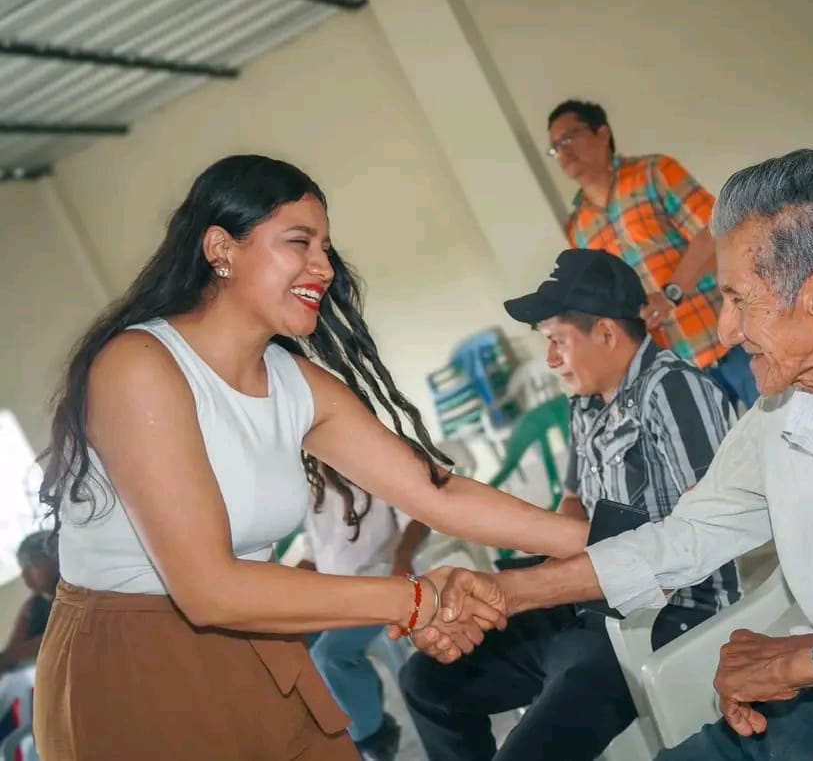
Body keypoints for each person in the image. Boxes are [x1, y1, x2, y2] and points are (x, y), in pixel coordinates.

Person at [411, 150, 813, 761]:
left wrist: (806, 660)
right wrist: (511, 591)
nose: (724, 330)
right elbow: (682, 539)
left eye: (737, 300)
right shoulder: (781, 415)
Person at [32, 154, 589, 760]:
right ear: (221, 248)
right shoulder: (138, 366)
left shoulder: (294, 382)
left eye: (325, 247)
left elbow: (438, 494)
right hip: (136, 669)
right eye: (299, 242)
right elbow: (208, 587)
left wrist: (602, 543)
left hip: (259, 643)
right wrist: (417, 599)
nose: (323, 266)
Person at [399, 248, 741, 761]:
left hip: (662, 615)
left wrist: (542, 585)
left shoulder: (673, 391)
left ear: (605, 333)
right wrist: (556, 572)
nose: (550, 360)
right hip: (587, 603)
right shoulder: (587, 401)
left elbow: (701, 538)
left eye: (558, 341)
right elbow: (574, 498)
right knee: (425, 682)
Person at [547, 98, 758, 408]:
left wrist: (671, 294)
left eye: (569, 137)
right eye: (555, 147)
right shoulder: (578, 228)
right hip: (680, 376)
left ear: (602, 133)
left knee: (790, 430)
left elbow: (716, 229)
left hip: (737, 341)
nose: (563, 151)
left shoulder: (654, 172)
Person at [298, 457, 432, 761]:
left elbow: (417, 520)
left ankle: (372, 737)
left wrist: (402, 557)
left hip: (380, 586)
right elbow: (313, 555)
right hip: (334, 598)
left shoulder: (373, 469)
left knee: (328, 656)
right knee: (288, 645)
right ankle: (355, 722)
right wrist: (282, 587)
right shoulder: (312, 490)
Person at [0, 531, 59, 740]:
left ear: (55, 558)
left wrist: (20, 651)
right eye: (22, 568)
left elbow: (55, 641)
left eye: (31, 565)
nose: (24, 576)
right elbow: (8, 656)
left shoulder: (74, 598)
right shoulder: (33, 605)